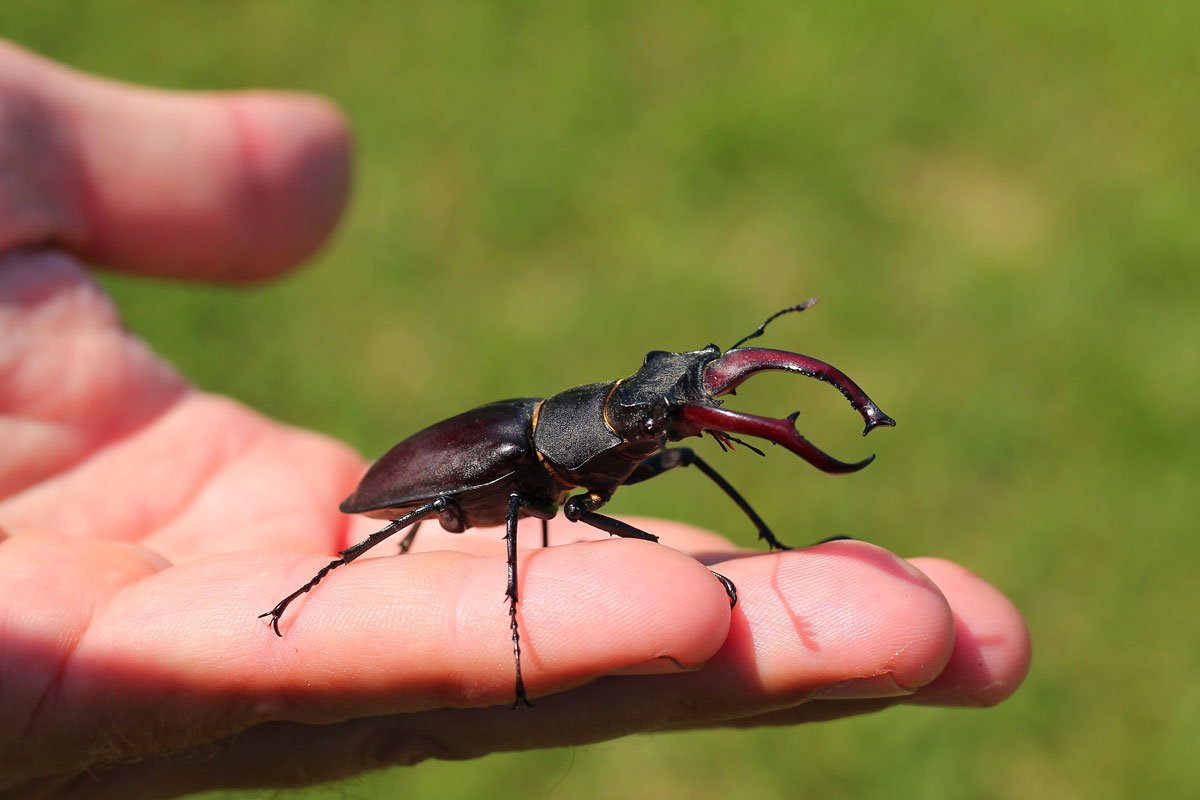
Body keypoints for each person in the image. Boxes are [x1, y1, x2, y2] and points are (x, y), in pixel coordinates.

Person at [0, 39, 1030, 797]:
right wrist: (386, 579)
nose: (659, 428)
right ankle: (325, 580)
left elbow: (641, 449)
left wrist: (721, 469)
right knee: (440, 503)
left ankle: (757, 541)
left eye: (658, 420)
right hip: (448, 485)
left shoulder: (595, 447)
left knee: (658, 512)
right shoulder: (523, 451)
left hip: (532, 463)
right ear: (594, 428)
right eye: (646, 418)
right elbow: (445, 505)